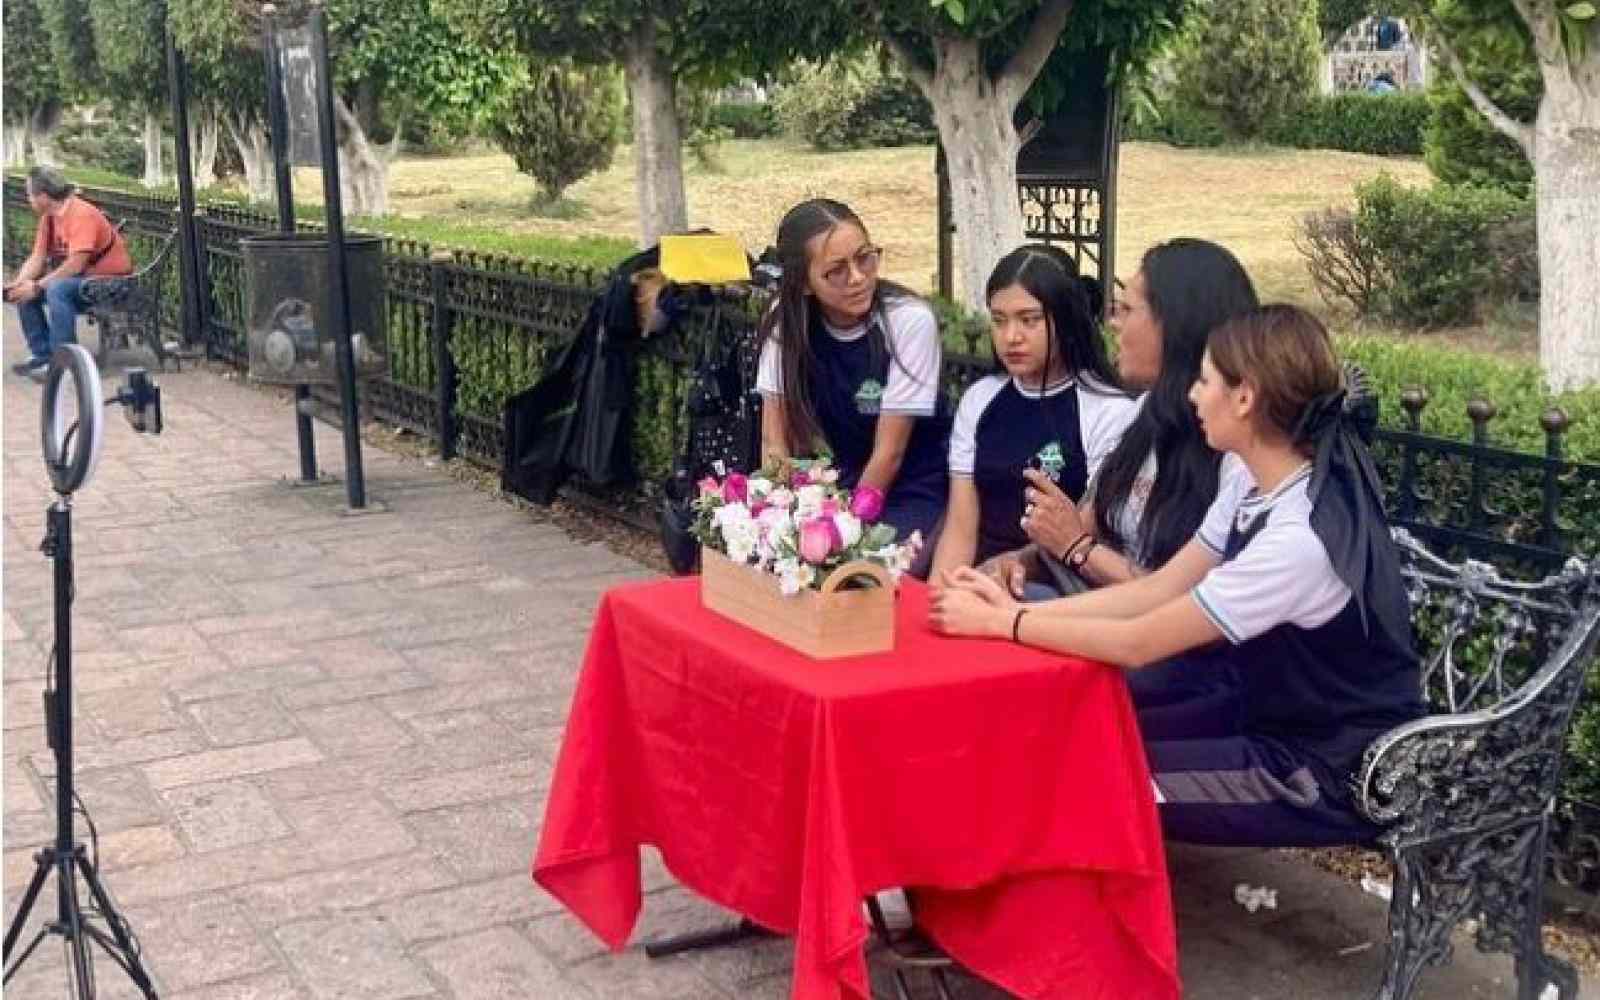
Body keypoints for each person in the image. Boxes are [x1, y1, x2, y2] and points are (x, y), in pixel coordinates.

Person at [931, 304, 1423, 846]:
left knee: (1093, 779)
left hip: (1324, 770)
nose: (1192, 394)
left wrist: (1007, 623)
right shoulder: (1250, 479)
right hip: (1259, 717)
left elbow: (1139, 642)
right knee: (1072, 740)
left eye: (1206, 380)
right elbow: (1158, 589)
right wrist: (1014, 612)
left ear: (1244, 397)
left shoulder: (1298, 540)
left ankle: (1090, 929)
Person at [986, 239, 1260, 595]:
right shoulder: (1146, 412)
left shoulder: (1239, 454)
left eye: (1126, 310)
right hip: (1096, 613)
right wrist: (1016, 564)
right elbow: (1076, 529)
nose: (1113, 324)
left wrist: (1079, 549)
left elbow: (1192, 603)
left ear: (1175, 325)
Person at [930, 245, 1139, 583]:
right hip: (978, 578)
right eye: (999, 321)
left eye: (1030, 320)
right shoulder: (979, 400)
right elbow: (960, 527)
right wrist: (939, 594)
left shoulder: (1108, 411)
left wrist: (1003, 574)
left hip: (1057, 583)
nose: (1011, 337)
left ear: (1067, 319)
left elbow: (1091, 530)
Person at [756, 198, 949, 544]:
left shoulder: (907, 321)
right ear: (803, 283)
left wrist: (842, 535)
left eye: (865, 258)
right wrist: (778, 517)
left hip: (909, 486)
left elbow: (889, 454)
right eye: (836, 270)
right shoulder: (786, 321)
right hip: (834, 483)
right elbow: (774, 440)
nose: (858, 278)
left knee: (861, 578)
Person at [4, 166, 133, 378]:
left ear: (44, 196)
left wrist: (37, 286)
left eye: (30, 195)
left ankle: (64, 361)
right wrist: (20, 284)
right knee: (25, 294)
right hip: (84, 281)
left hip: (111, 283)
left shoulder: (81, 214)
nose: (28, 200)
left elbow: (76, 265)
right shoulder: (49, 218)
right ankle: (43, 356)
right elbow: (37, 257)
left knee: (57, 289)